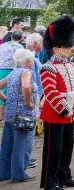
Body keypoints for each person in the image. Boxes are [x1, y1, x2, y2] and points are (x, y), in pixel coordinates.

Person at [39, 16, 74, 190]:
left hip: (68, 114)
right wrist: (64, 109)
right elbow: (51, 92)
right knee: (53, 149)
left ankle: (64, 176)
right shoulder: (48, 67)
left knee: (67, 147)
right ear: (56, 48)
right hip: (55, 114)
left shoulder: (71, 66)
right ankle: (50, 181)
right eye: (66, 46)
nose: (69, 48)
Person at [0, 48, 39, 182]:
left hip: (10, 113)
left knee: (8, 144)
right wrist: (28, 102)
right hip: (24, 114)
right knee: (22, 145)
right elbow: (26, 87)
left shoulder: (12, 73)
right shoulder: (25, 72)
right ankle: (19, 174)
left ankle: (4, 173)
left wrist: (5, 99)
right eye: (32, 60)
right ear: (27, 60)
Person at [0, 29, 24, 110]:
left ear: (11, 37)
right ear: (21, 39)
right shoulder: (20, 47)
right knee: (8, 91)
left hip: (1, 68)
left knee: (1, 90)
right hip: (12, 70)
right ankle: (1, 115)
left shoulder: (2, 45)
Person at [23, 32, 44, 97]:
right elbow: (29, 83)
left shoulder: (33, 57)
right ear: (35, 44)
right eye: (41, 44)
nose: (42, 47)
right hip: (32, 99)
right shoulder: (30, 58)